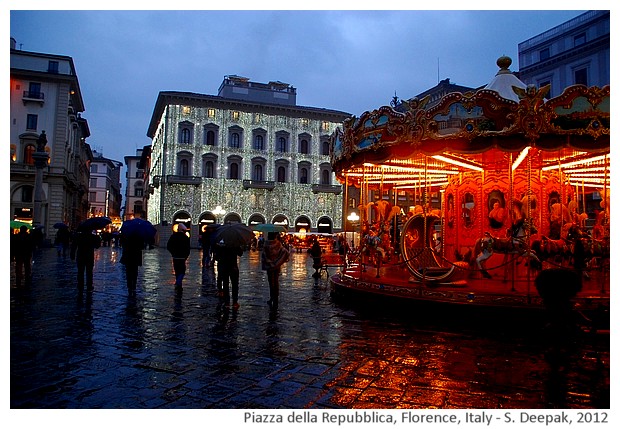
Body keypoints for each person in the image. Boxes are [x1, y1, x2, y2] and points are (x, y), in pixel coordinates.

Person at [261, 233, 290, 310]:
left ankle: (271, 298)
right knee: (276, 282)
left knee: (271, 282)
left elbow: (264, 255)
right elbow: (286, 252)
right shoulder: (278, 244)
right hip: (276, 266)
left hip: (269, 267)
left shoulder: (266, 244)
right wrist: (278, 261)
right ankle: (276, 298)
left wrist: (269, 262)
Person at [213, 240, 244, 307]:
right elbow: (240, 253)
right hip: (233, 266)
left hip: (224, 266)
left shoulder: (221, 245)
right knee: (235, 284)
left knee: (225, 284)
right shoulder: (235, 244)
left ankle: (227, 302)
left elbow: (217, 257)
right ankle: (235, 302)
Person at [166, 223, 191, 290]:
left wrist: (173, 253)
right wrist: (186, 256)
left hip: (175, 257)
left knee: (177, 271)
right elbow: (187, 248)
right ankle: (178, 282)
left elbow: (168, 246)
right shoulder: (185, 237)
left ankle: (178, 284)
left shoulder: (173, 236)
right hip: (182, 257)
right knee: (182, 271)